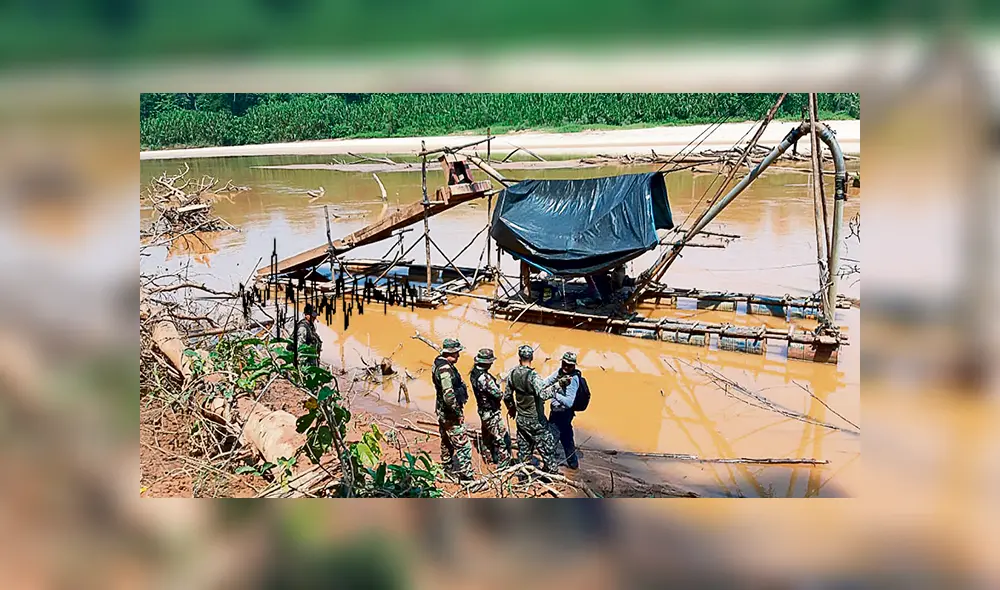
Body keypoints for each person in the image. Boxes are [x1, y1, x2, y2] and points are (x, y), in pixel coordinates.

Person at [502, 345, 568, 474]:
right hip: (536, 421)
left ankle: (523, 473)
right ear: (532, 357)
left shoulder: (513, 374)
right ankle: (551, 474)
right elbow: (543, 395)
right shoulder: (533, 376)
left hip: (521, 419)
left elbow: (507, 396)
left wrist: (512, 409)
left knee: (524, 449)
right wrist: (559, 385)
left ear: (519, 357)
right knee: (547, 449)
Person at [431, 338, 474, 481]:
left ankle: (447, 469)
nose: (458, 356)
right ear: (450, 353)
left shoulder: (439, 362)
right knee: (464, 445)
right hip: (450, 414)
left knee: (446, 441)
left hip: (442, 411)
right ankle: (467, 478)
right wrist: (458, 413)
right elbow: (449, 396)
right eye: (456, 353)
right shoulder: (444, 370)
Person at [468, 348, 511, 466]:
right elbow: (498, 394)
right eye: (491, 362)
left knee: (486, 436)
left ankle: (488, 459)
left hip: (482, 410)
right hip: (491, 413)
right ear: (486, 363)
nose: (492, 364)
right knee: (503, 439)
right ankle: (503, 465)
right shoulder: (484, 378)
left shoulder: (474, 373)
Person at [547, 351, 582, 469]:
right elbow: (546, 382)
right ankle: (573, 464)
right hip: (557, 412)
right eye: (564, 363)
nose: (566, 367)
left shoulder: (573, 379)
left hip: (562, 413)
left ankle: (549, 468)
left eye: (570, 365)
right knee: (566, 438)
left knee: (551, 439)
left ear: (574, 366)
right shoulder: (559, 372)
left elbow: (569, 402)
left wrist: (553, 393)